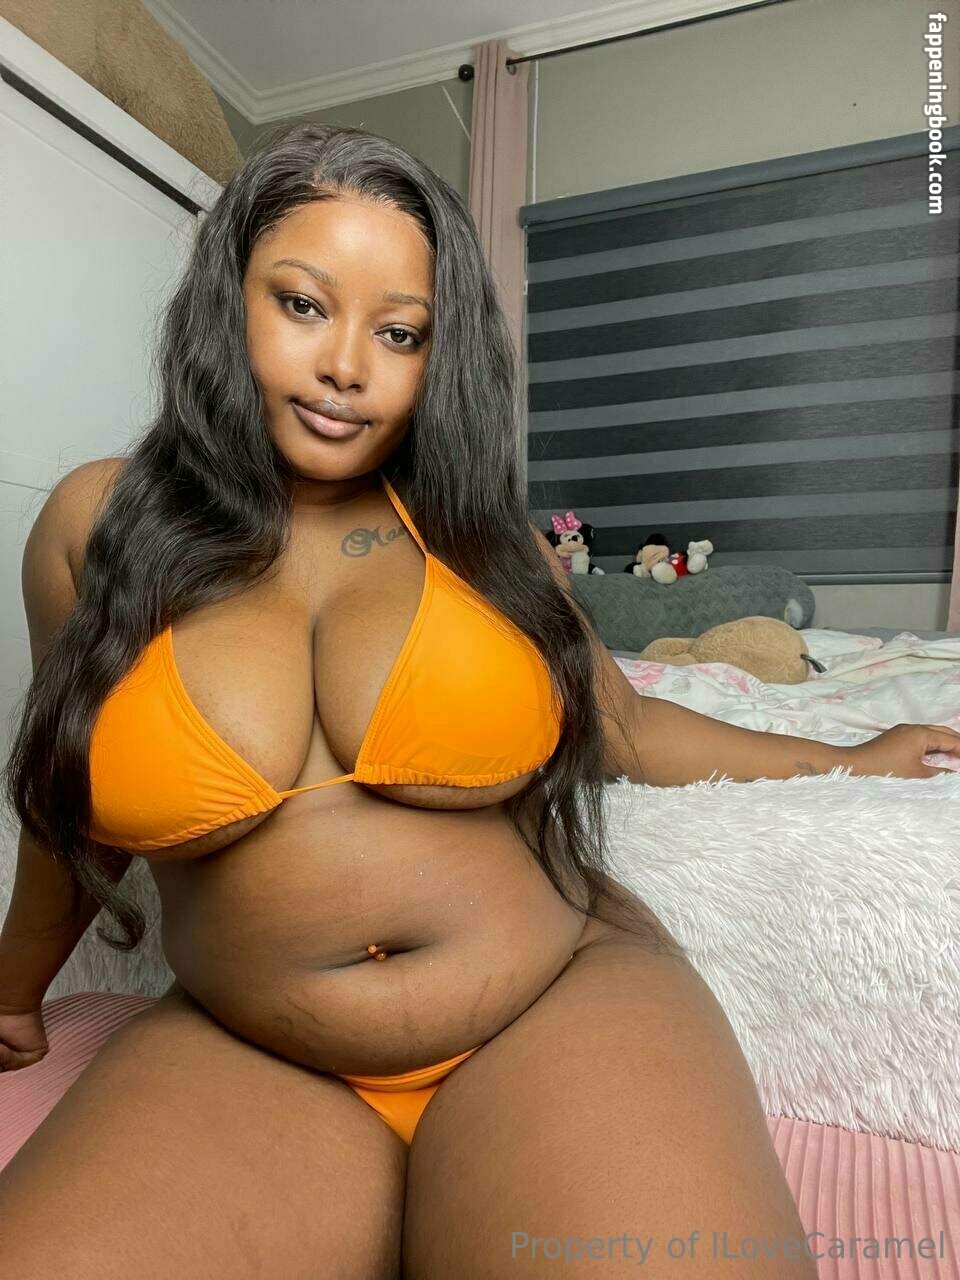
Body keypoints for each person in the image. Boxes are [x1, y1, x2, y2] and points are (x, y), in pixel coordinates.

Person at [0, 122, 955, 1280]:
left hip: (552, 1004)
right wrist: (15, 989)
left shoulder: (484, 536)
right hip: (248, 1045)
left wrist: (846, 760)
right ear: (226, 301)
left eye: (399, 331)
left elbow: (626, 727)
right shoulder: (99, 526)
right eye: (303, 304)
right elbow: (65, 795)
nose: (347, 363)